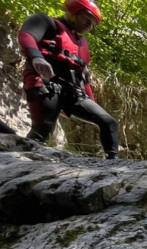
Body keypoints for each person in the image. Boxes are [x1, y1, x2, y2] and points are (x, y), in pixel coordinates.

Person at [17, 0, 119, 159]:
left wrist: (90, 101)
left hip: (74, 94)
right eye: (87, 18)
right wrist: (37, 58)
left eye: (93, 23)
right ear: (74, 12)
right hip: (46, 85)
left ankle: (114, 164)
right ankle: (17, 165)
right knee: (42, 131)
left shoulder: (82, 44)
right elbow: (26, 36)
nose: (89, 25)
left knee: (108, 122)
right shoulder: (47, 23)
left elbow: (83, 77)